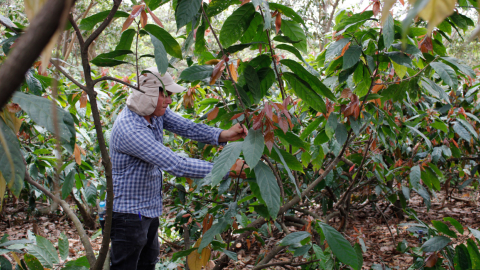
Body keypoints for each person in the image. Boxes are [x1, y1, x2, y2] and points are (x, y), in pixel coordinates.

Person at [108, 67, 247, 270]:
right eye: (166, 95)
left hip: (148, 209)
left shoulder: (154, 112)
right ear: (149, 94)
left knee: (148, 263)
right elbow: (176, 164)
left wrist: (223, 135)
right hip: (129, 215)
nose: (169, 101)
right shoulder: (130, 129)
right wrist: (225, 169)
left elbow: (188, 127)